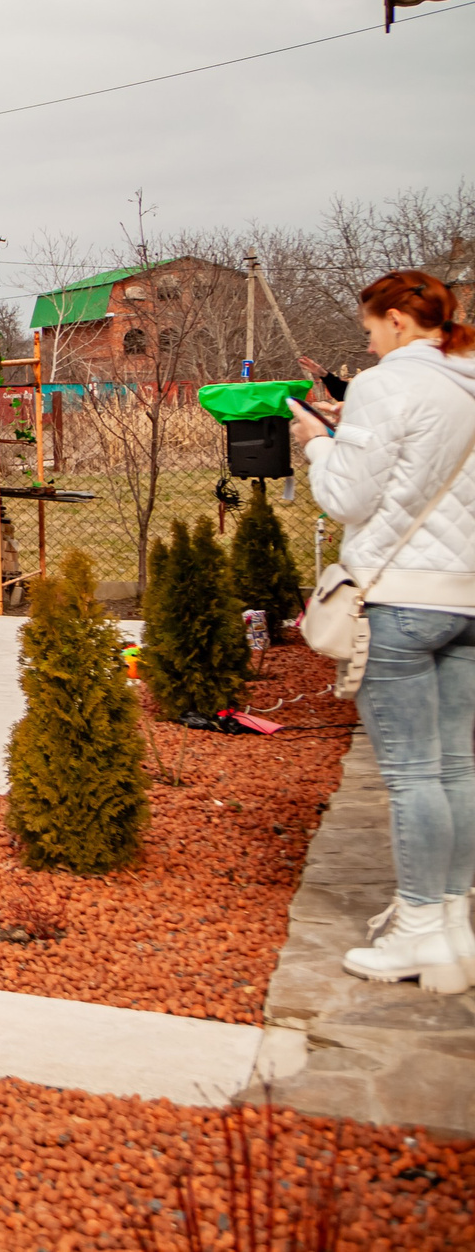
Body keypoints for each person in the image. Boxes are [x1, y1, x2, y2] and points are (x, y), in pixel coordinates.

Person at [287, 269, 475, 992]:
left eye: (369, 328)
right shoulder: (466, 380)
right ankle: (453, 923)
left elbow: (348, 497)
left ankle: (420, 930)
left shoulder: (385, 384)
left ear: (398, 320)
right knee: (456, 766)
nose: (366, 342)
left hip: (401, 598)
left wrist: (317, 442)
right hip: (465, 598)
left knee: (411, 774)